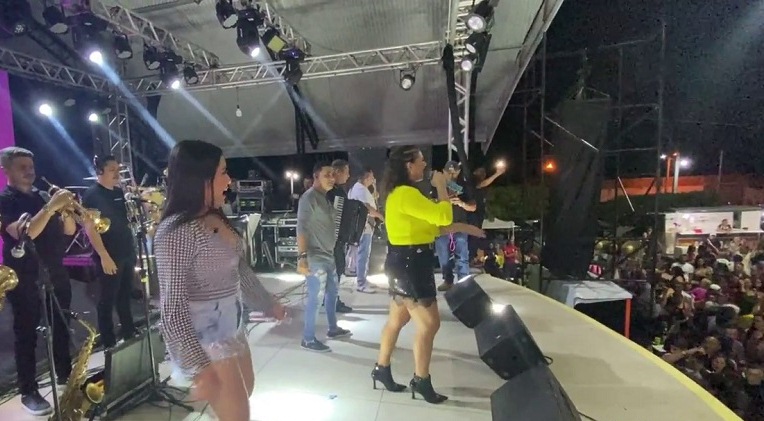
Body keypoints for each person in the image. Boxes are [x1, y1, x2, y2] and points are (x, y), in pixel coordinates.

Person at [154, 140, 285, 421]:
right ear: (200, 178)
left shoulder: (214, 216)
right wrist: (199, 367)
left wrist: (266, 302)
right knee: (237, 415)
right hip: (205, 338)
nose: (229, 180)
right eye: (223, 172)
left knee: (245, 392)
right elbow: (172, 308)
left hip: (232, 328)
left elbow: (238, 269)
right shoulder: (176, 232)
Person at [372, 146, 484, 404]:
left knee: (397, 320)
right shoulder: (406, 193)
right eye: (421, 160)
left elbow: (428, 229)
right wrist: (442, 186)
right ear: (408, 165)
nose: (425, 165)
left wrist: (463, 226)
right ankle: (421, 379)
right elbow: (441, 216)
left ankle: (381, 369)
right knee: (429, 324)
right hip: (411, 265)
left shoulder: (401, 194)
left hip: (405, 261)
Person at [0, 147, 76, 415]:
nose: (29, 171)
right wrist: (51, 207)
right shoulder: (5, 200)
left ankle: (66, 375)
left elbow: (69, 231)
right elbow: (26, 232)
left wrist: (67, 211)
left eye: (31, 166)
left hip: (54, 272)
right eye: (22, 167)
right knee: (26, 335)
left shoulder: (43, 196)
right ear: (6, 170)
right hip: (24, 277)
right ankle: (28, 391)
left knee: (61, 327)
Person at [81, 155, 138, 348]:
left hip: (126, 250)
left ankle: (129, 331)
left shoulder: (119, 192)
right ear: (100, 171)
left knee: (125, 294)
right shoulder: (92, 195)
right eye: (112, 170)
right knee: (107, 299)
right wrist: (104, 256)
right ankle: (108, 341)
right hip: (109, 253)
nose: (117, 174)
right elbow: (90, 228)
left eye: (118, 170)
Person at [297, 162, 352, 352]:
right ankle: (308, 338)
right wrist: (302, 257)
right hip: (315, 257)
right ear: (316, 177)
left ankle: (333, 328)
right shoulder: (308, 198)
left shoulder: (325, 198)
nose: (331, 178)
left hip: (328, 255)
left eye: (333, 175)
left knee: (332, 293)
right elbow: (301, 228)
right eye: (327, 175)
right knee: (316, 297)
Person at [435, 161, 476, 292]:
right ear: (444, 171)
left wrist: (461, 203)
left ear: (459, 172)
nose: (452, 175)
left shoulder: (464, 186)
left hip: (460, 224)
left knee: (462, 256)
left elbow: (473, 207)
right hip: (442, 225)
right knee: (443, 256)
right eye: (449, 172)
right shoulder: (436, 185)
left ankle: (463, 283)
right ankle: (448, 281)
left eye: (455, 172)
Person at [348, 168, 383, 293]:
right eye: (372, 177)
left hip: (364, 226)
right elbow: (367, 208)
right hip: (364, 226)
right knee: (363, 255)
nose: (373, 180)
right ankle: (361, 283)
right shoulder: (361, 190)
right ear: (367, 177)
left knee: (364, 254)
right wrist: (381, 217)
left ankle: (363, 279)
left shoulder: (359, 189)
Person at [325, 159, 353, 313]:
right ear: (338, 172)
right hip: (331, 240)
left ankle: (329, 299)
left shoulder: (337, 191)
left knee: (336, 269)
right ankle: (332, 301)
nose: (348, 176)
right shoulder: (331, 192)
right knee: (336, 269)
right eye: (346, 172)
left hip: (335, 239)